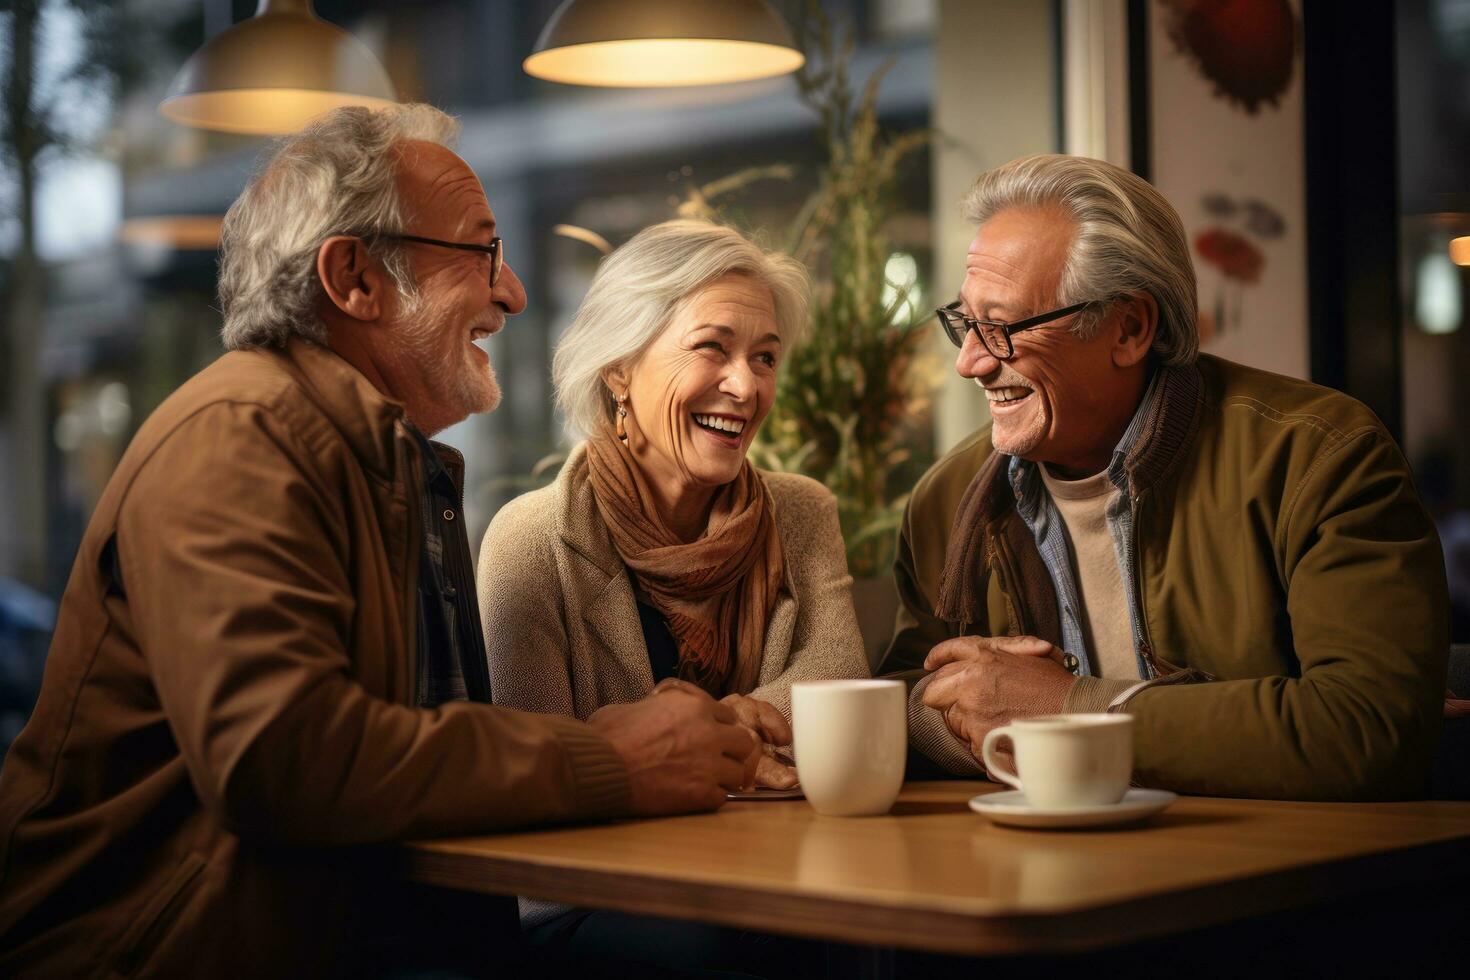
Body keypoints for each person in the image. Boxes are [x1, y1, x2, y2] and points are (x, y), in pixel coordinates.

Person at [0, 105, 760, 980]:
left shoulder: (381, 460)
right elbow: (281, 757)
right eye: (483, 254)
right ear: (356, 277)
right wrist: (610, 760)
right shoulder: (239, 434)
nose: (510, 293)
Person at [883, 153, 1448, 801]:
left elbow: (1367, 729)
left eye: (1004, 328)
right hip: (1033, 869)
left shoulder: (1319, 457)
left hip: (1281, 877)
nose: (971, 363)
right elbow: (900, 699)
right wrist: (982, 706)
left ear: (1129, 328)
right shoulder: (945, 500)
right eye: (966, 323)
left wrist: (1072, 708)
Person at [477, 219, 867, 967]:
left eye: (765, 358)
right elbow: (537, 789)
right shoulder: (530, 543)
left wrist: (695, 740)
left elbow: (839, 681)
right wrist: (746, 742)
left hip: (784, 874)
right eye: (712, 348)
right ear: (620, 367)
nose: (747, 386)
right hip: (603, 901)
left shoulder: (803, 512)